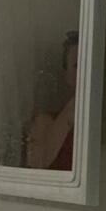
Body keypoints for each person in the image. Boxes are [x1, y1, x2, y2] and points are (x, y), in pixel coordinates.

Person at [25, 30, 79, 171]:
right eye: (77, 66)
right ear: (66, 74)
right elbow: (37, 163)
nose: (85, 72)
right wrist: (70, 111)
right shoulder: (44, 122)